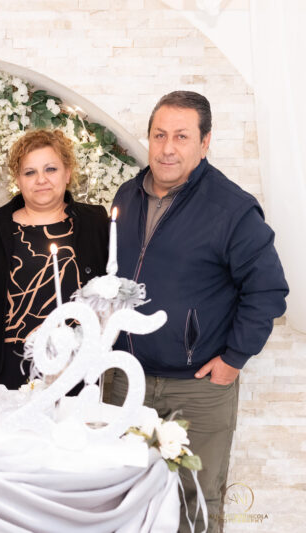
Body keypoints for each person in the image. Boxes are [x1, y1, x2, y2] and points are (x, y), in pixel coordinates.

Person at [108, 91, 288, 532]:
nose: (167, 148)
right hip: (127, 380)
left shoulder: (232, 209)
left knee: (195, 504)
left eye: (182, 136)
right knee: (119, 496)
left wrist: (234, 359)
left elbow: (267, 289)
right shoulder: (127, 196)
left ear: (205, 143)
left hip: (197, 389)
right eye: (159, 135)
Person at [0, 129, 109, 390]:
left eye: (51, 169)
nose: (41, 180)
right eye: (30, 172)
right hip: (10, 363)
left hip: (77, 360)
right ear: (18, 179)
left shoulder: (95, 222)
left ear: (67, 173)